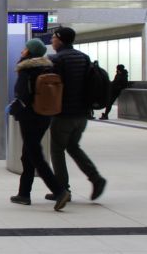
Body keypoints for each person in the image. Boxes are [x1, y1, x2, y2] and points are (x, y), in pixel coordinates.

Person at [9, 39, 71, 211]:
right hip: (45, 115)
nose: (22, 51)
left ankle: (59, 191)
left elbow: (22, 96)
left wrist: (13, 109)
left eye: (25, 49)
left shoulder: (26, 69)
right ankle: (23, 194)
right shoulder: (49, 67)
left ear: (30, 52)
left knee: (36, 156)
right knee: (28, 155)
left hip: (29, 117)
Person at [48, 27, 107, 202]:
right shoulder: (84, 58)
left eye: (53, 37)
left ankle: (62, 189)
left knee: (57, 150)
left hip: (64, 113)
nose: (52, 40)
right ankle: (96, 178)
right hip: (82, 113)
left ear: (60, 39)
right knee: (73, 146)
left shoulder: (57, 60)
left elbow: (52, 87)